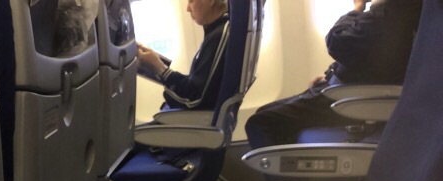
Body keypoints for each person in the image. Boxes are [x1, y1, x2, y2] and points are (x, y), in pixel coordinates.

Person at [245, 0, 423, 149]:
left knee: (259, 123)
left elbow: (337, 41)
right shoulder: (403, 10)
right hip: (346, 90)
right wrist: (331, 76)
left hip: (350, 100)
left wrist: (357, 8)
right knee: (264, 113)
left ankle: (288, 178)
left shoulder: (389, 12)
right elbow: (365, 56)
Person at [136, 0, 228, 110]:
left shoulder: (219, 35)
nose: (188, 8)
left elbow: (195, 98)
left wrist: (159, 67)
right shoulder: (214, 31)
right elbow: (197, 85)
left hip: (199, 113)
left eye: (191, 1)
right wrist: (158, 66)